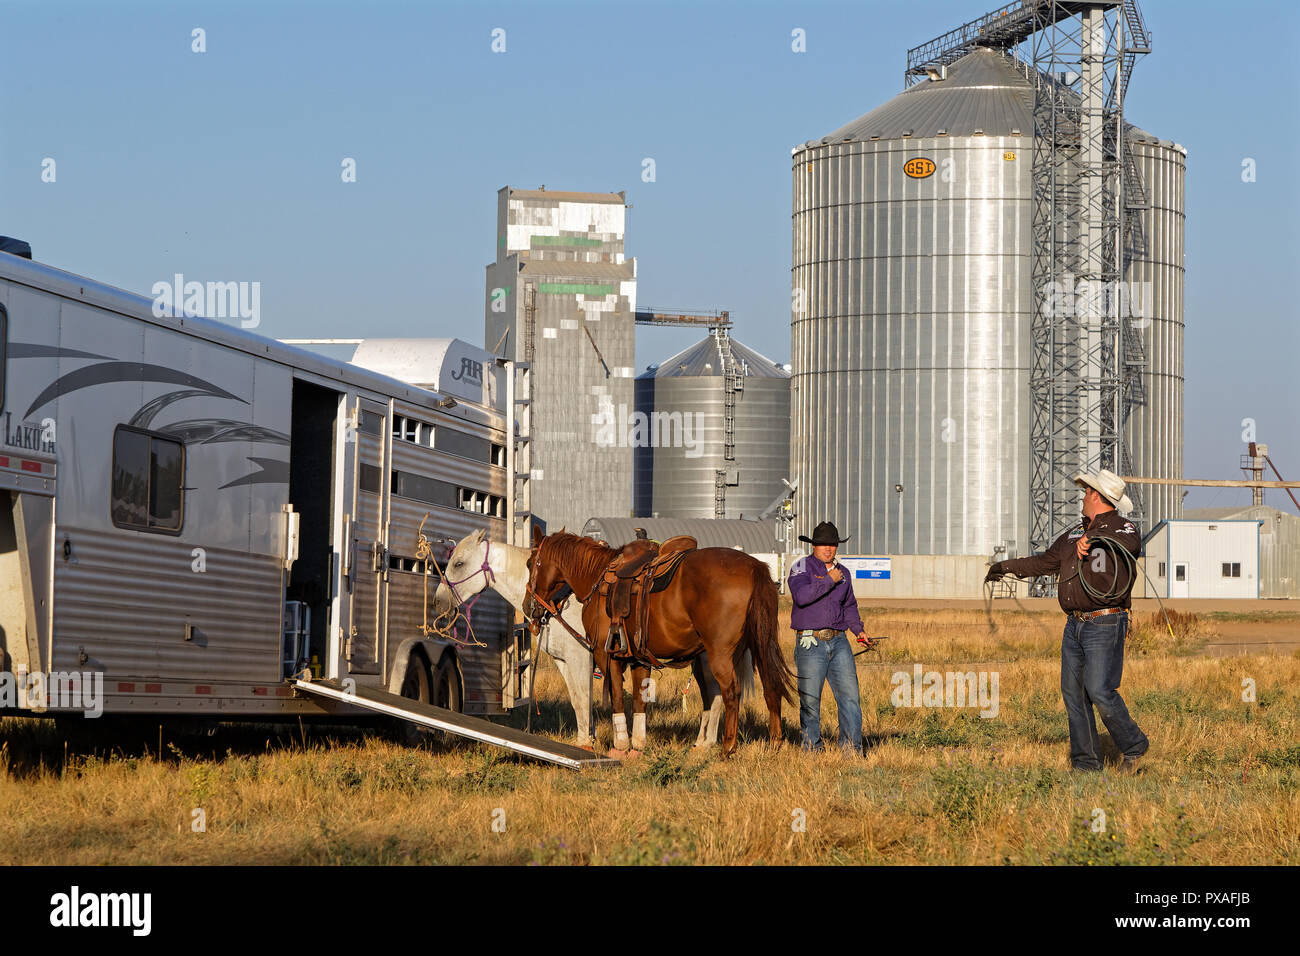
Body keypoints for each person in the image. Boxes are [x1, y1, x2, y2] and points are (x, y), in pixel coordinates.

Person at [986, 470, 1150, 773]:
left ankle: (1134, 746)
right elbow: (1043, 562)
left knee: (1100, 690)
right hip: (1074, 624)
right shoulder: (1074, 533)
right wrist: (1005, 566)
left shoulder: (1121, 526)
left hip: (1105, 621)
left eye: (1086, 492)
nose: (1083, 497)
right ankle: (1086, 764)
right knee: (1074, 694)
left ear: (1097, 497)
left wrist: (1096, 537)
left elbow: (1131, 545)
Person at [788, 520, 872, 753]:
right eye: (823, 544)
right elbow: (802, 596)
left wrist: (859, 630)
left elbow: (850, 606)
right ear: (813, 545)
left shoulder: (843, 573)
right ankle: (812, 749)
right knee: (810, 700)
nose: (828, 549)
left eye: (833, 544)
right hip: (810, 642)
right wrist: (828, 580)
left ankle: (851, 749)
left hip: (839, 641)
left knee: (850, 698)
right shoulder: (801, 568)